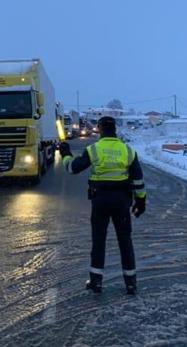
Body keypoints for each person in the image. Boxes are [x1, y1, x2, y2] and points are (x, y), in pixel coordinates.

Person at [59, 116, 146, 295]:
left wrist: (65, 154)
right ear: (115, 129)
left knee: (99, 240)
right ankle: (131, 283)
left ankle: (96, 282)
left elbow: (72, 168)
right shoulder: (128, 150)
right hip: (122, 200)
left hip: (100, 200)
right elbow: (138, 179)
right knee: (125, 240)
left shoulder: (94, 149)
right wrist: (141, 201)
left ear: (99, 129)